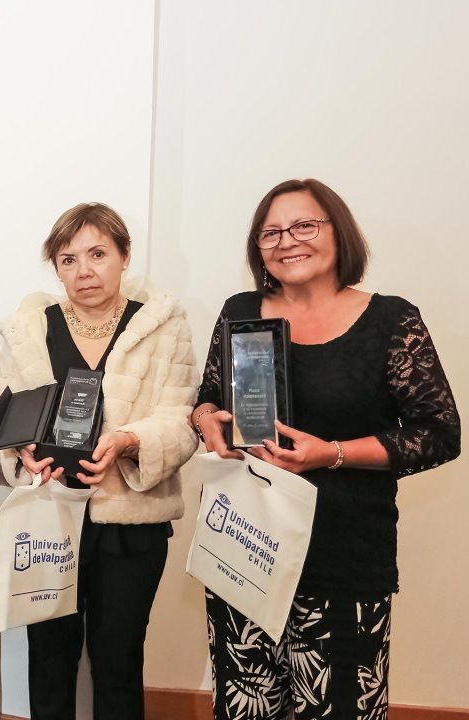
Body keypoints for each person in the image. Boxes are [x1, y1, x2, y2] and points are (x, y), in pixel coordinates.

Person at [192, 179, 460, 719]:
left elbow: (439, 433)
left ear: (339, 232)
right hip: (246, 547)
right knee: (245, 708)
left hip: (344, 556)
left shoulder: (390, 320)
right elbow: (209, 397)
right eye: (270, 232)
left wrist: (331, 453)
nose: (287, 240)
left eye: (304, 225)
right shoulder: (241, 310)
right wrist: (206, 422)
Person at [0, 203, 199, 720]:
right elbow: (5, 408)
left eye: (98, 254)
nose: (83, 270)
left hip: (130, 525)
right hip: (49, 518)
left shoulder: (161, 325)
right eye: (68, 259)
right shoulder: (31, 327)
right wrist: (20, 450)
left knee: (118, 664)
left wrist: (129, 440)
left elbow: (181, 419)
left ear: (124, 256)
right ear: (57, 269)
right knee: (48, 662)